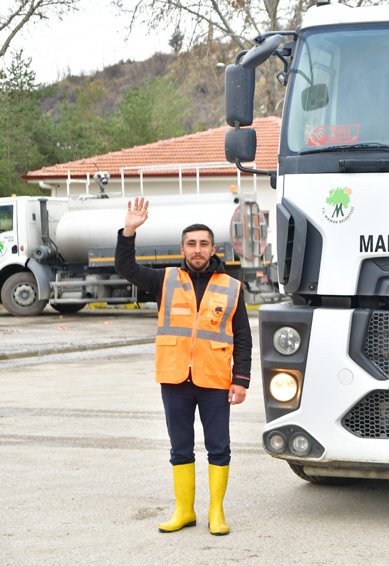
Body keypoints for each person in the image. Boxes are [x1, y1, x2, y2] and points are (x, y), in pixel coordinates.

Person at [115, 196, 252, 536]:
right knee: (180, 446)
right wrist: (128, 232)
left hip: (215, 379)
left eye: (203, 244)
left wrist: (240, 380)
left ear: (213, 249)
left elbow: (243, 337)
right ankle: (185, 510)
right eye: (191, 244)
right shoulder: (164, 280)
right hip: (175, 378)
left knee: (219, 446)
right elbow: (126, 269)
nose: (197, 249)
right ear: (182, 248)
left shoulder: (232, 287)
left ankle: (216, 512)